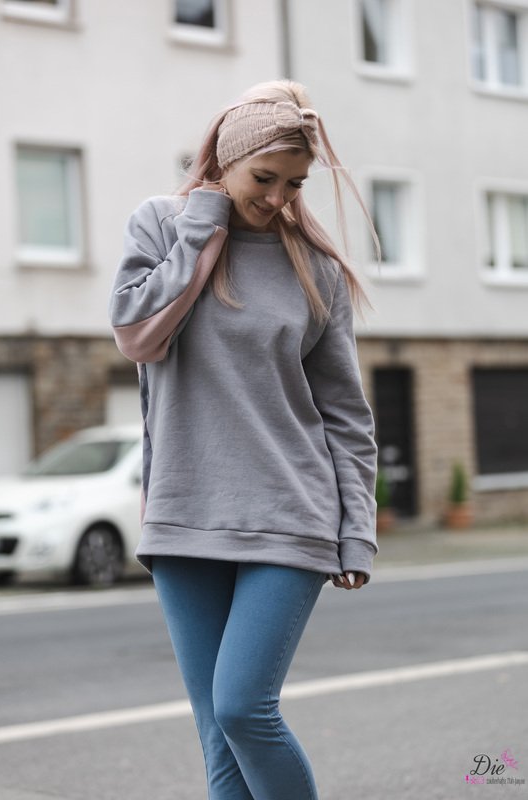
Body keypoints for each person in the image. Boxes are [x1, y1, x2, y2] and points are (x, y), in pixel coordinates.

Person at [109, 79, 379, 800]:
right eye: (264, 178)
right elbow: (137, 335)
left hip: (290, 512)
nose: (278, 198)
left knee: (241, 709)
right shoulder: (162, 226)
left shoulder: (315, 269)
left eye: (294, 184)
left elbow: (345, 415)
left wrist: (357, 528)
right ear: (225, 161)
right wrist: (204, 225)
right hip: (184, 511)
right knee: (215, 732)